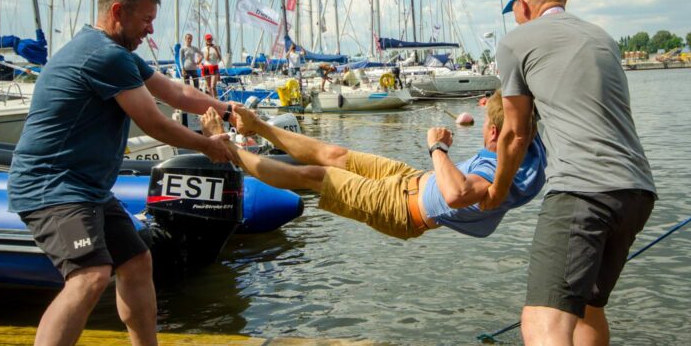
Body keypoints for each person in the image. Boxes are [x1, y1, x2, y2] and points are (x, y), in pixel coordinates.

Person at [6, 0, 239, 346]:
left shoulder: (115, 53)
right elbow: (153, 122)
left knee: (135, 260)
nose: (151, 29)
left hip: (86, 187)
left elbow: (173, 91)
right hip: (52, 186)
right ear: (118, 11)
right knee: (89, 276)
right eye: (146, 20)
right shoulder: (104, 56)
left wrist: (227, 108)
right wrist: (209, 146)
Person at [484, 0, 656, 346]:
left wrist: (499, 190)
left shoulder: (515, 42)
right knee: (586, 307)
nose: (515, 18)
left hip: (583, 191)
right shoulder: (602, 37)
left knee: (543, 323)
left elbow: (515, 134)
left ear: (521, 5)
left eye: (514, 10)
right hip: (636, 191)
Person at [201, 90, 546, 240]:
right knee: (334, 154)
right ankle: (257, 126)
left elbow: (456, 193)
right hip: (411, 180)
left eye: (486, 123)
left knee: (312, 175)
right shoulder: (534, 152)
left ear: (496, 132)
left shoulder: (497, 169)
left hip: (400, 207)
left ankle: (226, 145)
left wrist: (437, 147)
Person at [200, 33, 222, 98]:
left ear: (212, 39)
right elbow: (206, 59)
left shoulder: (217, 47)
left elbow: (219, 58)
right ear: (205, 40)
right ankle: (210, 100)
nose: (209, 41)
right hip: (207, 67)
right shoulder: (204, 49)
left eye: (210, 39)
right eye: (207, 39)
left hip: (214, 67)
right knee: (208, 86)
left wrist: (216, 49)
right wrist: (208, 49)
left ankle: (216, 99)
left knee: (213, 86)